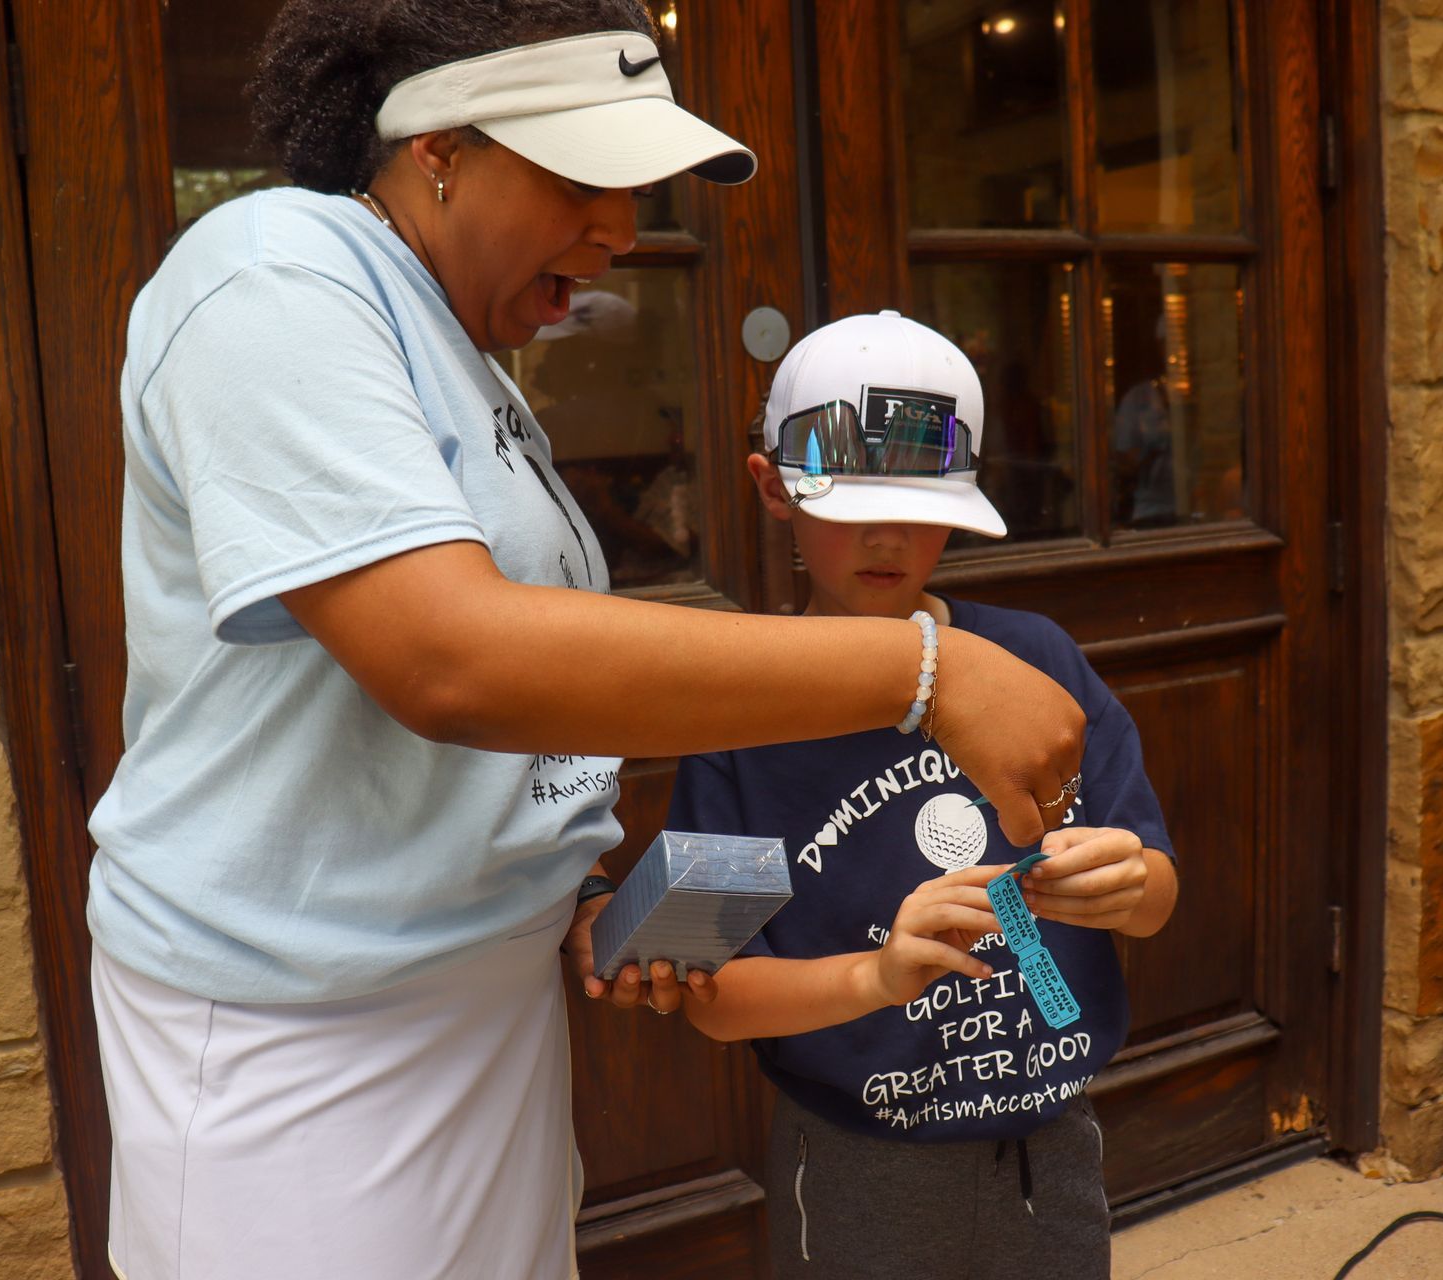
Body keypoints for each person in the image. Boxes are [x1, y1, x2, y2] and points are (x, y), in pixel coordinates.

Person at [82, 4, 1088, 1278]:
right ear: (439, 141)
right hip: (304, 1027)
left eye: (633, 189)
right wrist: (923, 668)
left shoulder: (464, 349)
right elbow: (452, 660)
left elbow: (517, 701)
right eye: (583, 178)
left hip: (475, 999)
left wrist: (587, 887)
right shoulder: (273, 267)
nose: (621, 227)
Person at [667, 312, 1178, 1280]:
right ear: (770, 487)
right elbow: (710, 993)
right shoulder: (736, 706)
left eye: (918, 503)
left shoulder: (1037, 662)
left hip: (1051, 1142)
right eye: (852, 505)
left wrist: (1130, 881)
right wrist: (875, 975)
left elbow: (1155, 893)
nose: (890, 536)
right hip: (861, 1166)